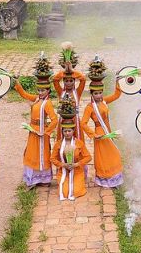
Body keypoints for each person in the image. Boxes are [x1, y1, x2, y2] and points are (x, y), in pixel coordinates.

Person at [14, 53, 59, 187]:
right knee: (32, 153)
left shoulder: (48, 103)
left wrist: (46, 131)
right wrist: (16, 82)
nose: (40, 92)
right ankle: (33, 178)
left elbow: (55, 120)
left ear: (48, 91)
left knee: (43, 154)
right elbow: (23, 94)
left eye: (43, 90)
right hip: (32, 131)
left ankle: (44, 179)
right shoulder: (36, 99)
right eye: (38, 90)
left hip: (42, 132)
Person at [80, 56, 124, 188]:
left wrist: (117, 81)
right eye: (95, 94)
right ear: (91, 94)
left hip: (108, 131)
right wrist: (93, 134)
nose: (98, 96)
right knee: (103, 156)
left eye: (100, 93)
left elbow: (117, 95)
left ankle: (114, 178)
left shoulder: (104, 101)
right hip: (100, 134)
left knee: (114, 154)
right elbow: (83, 123)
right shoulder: (89, 108)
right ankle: (104, 178)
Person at [51, 95, 92, 201]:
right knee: (64, 192)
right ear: (62, 132)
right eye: (65, 131)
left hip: (77, 170)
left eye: (70, 131)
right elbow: (52, 159)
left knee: (76, 191)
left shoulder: (79, 143)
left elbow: (88, 157)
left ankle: (78, 183)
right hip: (63, 170)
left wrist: (77, 164)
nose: (67, 133)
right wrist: (62, 164)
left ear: (73, 131)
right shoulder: (59, 144)